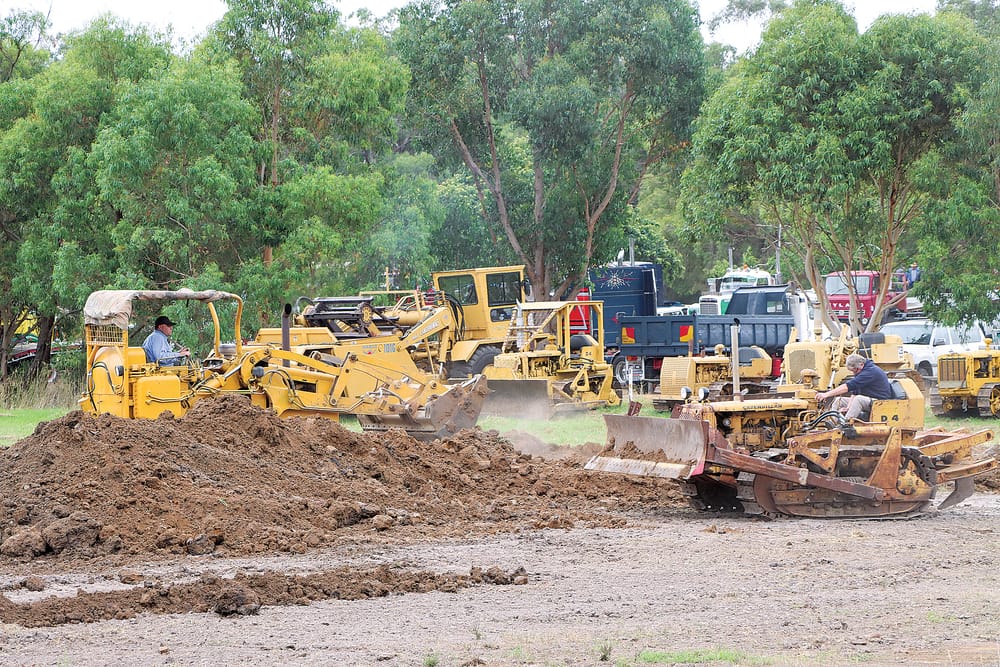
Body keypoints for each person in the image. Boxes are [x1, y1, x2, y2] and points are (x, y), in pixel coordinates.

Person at [815, 353, 893, 421]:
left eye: (855, 370)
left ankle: (846, 425)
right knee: (839, 400)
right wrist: (848, 407)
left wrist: (826, 394)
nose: (854, 373)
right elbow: (854, 392)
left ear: (861, 365)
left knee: (858, 399)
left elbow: (848, 386)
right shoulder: (862, 371)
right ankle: (833, 423)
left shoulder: (870, 372)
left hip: (880, 402)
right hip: (869, 400)